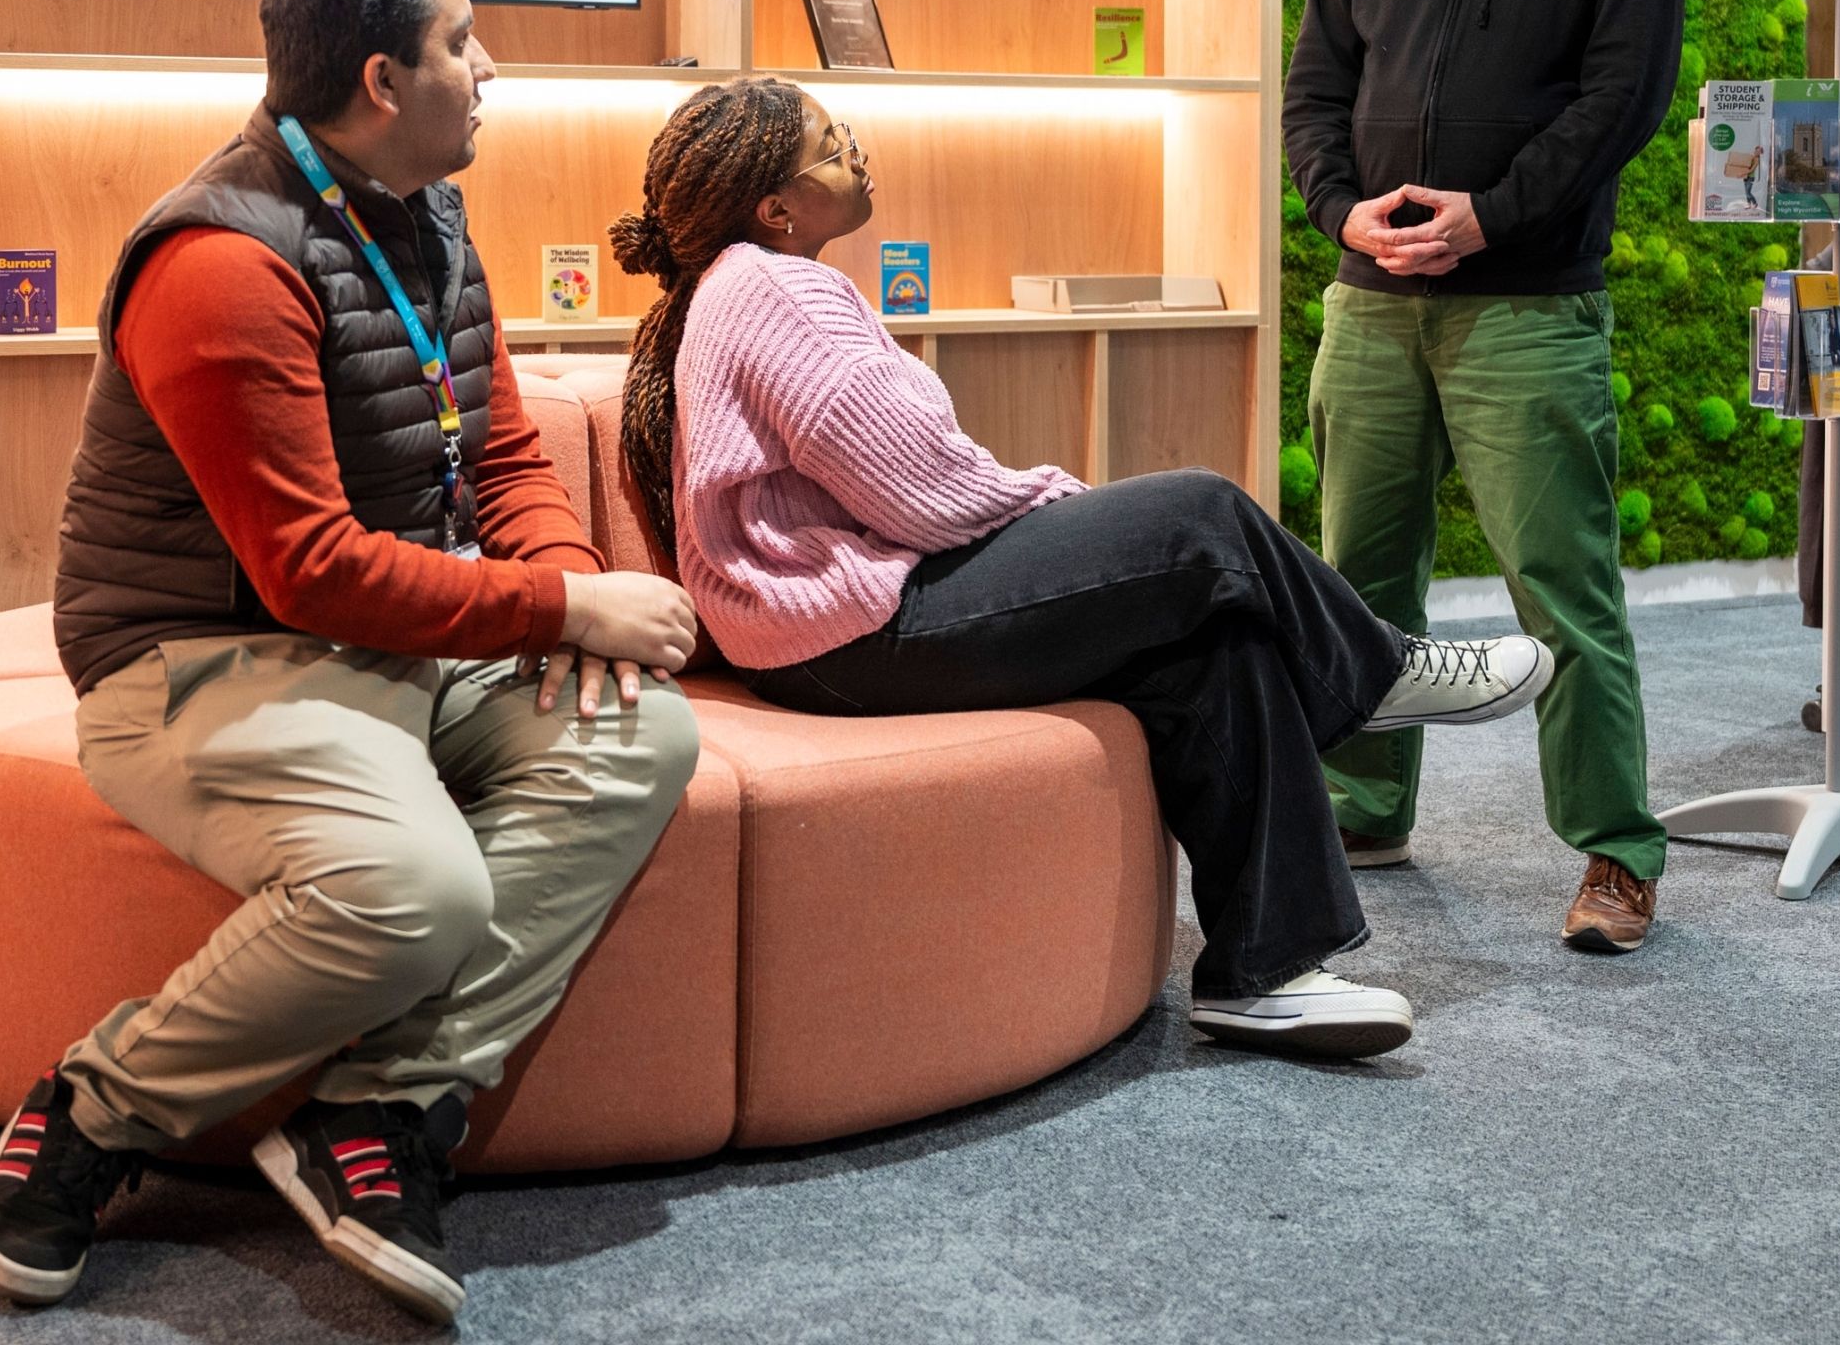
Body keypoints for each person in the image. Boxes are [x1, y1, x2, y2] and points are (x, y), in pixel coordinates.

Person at [0, 0, 702, 1322]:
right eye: (462, 40)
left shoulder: (426, 208)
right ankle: (92, 1115)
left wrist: (561, 600)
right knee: (413, 890)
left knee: (640, 742)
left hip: (389, 648)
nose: (487, 69)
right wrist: (563, 604)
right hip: (204, 660)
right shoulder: (220, 263)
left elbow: (491, 453)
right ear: (381, 81)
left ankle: (375, 1108)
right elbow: (308, 567)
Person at [609, 76, 1554, 1061]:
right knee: (1200, 514)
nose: (857, 148)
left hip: (826, 633)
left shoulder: (739, 287)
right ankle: (1375, 672)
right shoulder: (773, 285)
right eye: (832, 143)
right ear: (776, 207)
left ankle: (1265, 974)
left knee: (1214, 641)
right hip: (851, 628)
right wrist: (1062, 508)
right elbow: (910, 477)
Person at [1283, 0, 1686, 954]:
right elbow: (1312, 94)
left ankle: (1618, 855)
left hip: (1525, 306)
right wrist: (1342, 210)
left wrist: (1491, 215)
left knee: (1561, 590)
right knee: (1356, 580)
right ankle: (1361, 801)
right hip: (1371, 303)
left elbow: (1619, 106)